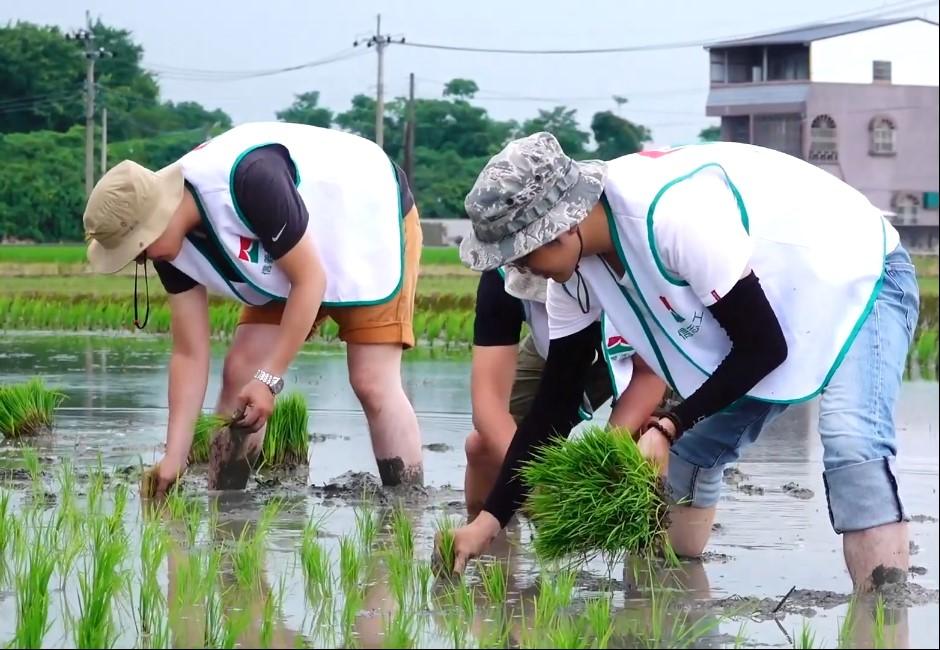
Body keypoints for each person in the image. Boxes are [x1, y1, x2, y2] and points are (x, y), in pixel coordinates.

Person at [446, 131, 919, 592]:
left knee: (852, 444)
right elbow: (553, 406)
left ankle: (883, 615)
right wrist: (489, 520)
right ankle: (677, 605)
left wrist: (667, 426)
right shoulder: (572, 273)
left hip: (855, 272)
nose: (519, 269)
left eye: (522, 254)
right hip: (764, 299)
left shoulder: (672, 217)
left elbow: (762, 348)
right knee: (690, 460)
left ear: (560, 225)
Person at [82, 121, 424, 494]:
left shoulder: (251, 181)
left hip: (366, 215)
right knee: (240, 371)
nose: (140, 259)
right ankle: (226, 511)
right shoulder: (166, 248)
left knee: (372, 382)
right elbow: (189, 352)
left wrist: (269, 380)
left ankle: (407, 508)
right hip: (290, 250)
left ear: (155, 219)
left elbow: (310, 281)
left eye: (138, 248)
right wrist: (174, 456)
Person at [465, 265, 666, 517]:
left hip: (654, 353)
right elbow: (489, 405)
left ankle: (649, 549)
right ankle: (490, 543)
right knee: (484, 446)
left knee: (646, 443)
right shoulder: (502, 272)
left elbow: (650, 372)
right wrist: (539, 486)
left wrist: (603, 461)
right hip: (557, 348)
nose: (525, 259)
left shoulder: (630, 259)